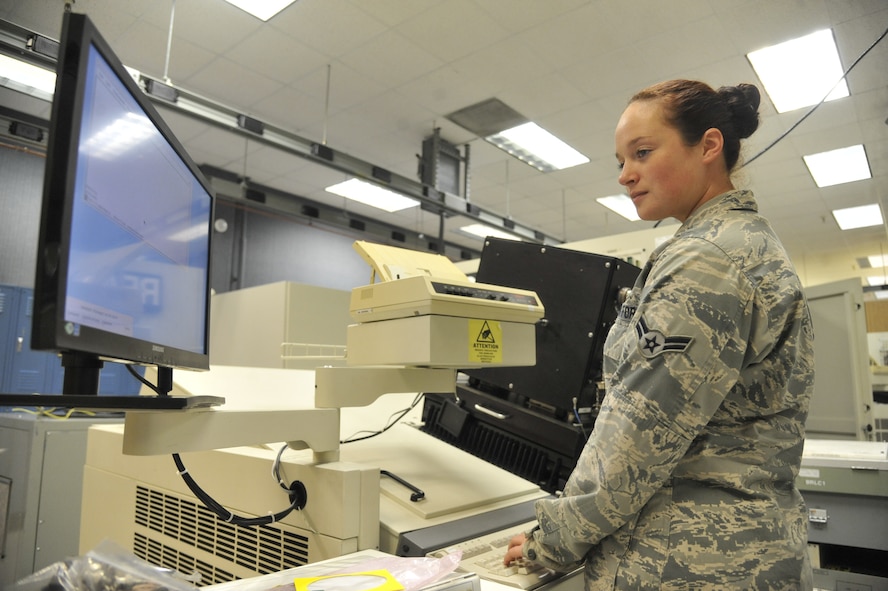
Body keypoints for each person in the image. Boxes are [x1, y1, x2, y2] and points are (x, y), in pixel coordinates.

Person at [503, 79, 815, 590]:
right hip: (741, 551)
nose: (626, 175)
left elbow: (638, 434)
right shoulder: (741, 244)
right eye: (621, 161)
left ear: (709, 146)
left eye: (642, 153)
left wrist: (553, 538)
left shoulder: (706, 260)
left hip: (691, 562)